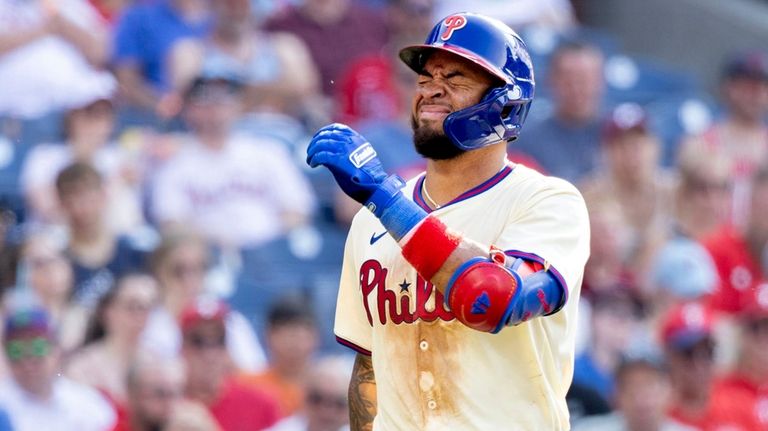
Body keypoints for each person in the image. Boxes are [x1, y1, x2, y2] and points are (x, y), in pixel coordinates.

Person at [305, 13, 590, 430]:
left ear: (504, 102)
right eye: (425, 78)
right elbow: (369, 372)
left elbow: (493, 299)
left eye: (455, 78)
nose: (431, 89)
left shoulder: (547, 202)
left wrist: (384, 199)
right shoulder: (371, 221)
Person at [150, 71, 316, 249]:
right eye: (205, 99)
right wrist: (218, 243)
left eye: (225, 98)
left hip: (272, 252)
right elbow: (171, 222)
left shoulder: (267, 151)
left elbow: (298, 209)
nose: (216, 107)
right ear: (189, 108)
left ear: (239, 105)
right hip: (208, 257)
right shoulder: (173, 160)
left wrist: (267, 241)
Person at [0, 307, 116, 431]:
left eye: (38, 347)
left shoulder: (87, 403)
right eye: (16, 350)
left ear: (57, 350)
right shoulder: (2, 401)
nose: (27, 359)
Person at [179, 298, 281, 431]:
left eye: (219, 340)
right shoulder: (163, 402)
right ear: (182, 347)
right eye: (198, 341)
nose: (209, 353)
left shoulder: (261, 404)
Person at [65, 272, 158, 405]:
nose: (140, 316)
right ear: (108, 311)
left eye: (146, 308)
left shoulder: (157, 362)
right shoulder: (82, 367)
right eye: (133, 307)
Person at [238, 296, 320, 419]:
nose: (294, 343)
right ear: (268, 335)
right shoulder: (247, 385)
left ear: (316, 337)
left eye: (300, 335)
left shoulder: (328, 390)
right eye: (286, 333)